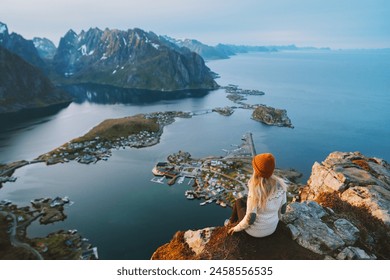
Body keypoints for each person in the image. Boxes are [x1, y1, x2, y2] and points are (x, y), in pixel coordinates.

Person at [227, 153, 288, 238]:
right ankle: (231, 222)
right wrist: (272, 221)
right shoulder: (281, 186)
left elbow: (250, 219)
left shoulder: (255, 191)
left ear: (256, 170)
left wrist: (236, 229)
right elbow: (283, 210)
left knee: (238, 202)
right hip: (272, 228)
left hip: (254, 232)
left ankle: (230, 224)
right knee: (243, 201)